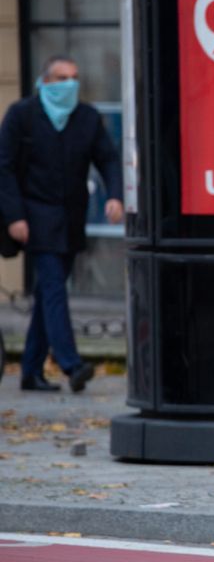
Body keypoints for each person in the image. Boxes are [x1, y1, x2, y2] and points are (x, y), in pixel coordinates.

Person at [0, 55, 123, 392]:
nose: (70, 84)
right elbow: (4, 168)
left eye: (75, 77)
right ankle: (71, 364)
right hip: (34, 218)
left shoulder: (86, 118)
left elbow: (108, 159)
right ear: (45, 82)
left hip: (70, 220)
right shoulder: (21, 115)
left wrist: (115, 196)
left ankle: (30, 371)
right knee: (54, 287)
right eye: (62, 77)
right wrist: (14, 217)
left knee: (46, 296)